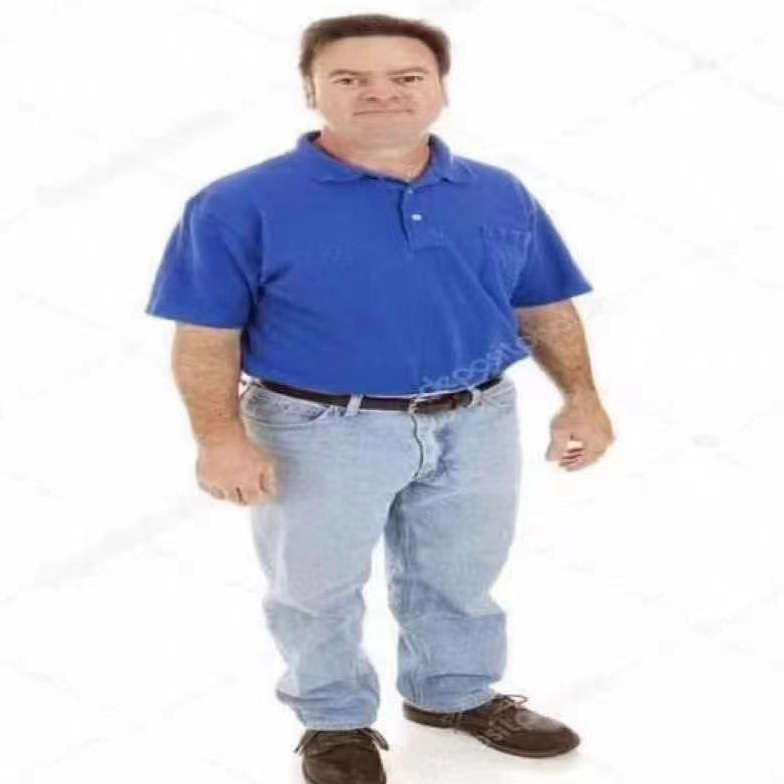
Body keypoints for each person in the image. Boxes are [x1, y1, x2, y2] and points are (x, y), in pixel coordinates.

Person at [145, 13, 615, 784]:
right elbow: (205, 337)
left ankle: (452, 695)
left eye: (406, 77)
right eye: (350, 78)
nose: (381, 93)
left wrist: (582, 398)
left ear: (440, 88)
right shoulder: (238, 204)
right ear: (311, 90)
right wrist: (219, 438)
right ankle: (333, 722)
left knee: (461, 572)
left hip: (478, 417)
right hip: (318, 426)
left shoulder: (497, 193)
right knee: (315, 587)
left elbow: (543, 305)